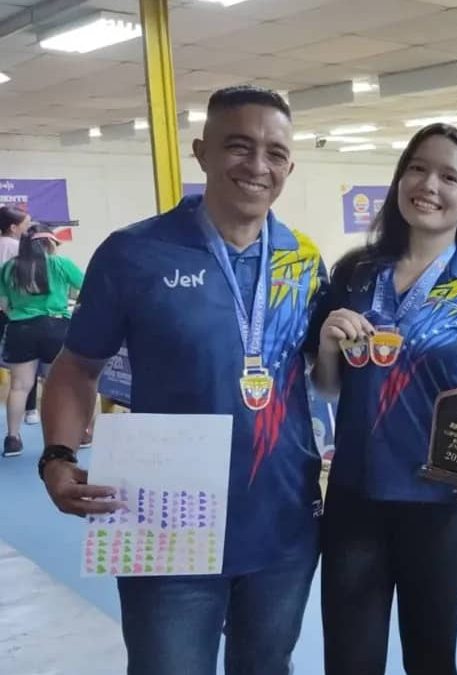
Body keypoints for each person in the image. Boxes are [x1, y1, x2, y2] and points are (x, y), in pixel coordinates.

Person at [39, 85, 326, 675]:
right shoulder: (133, 253)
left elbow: (321, 377)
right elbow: (75, 367)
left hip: (284, 525)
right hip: (165, 523)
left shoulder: (303, 260)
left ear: (290, 167)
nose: (257, 166)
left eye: (275, 153)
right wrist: (58, 456)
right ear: (201, 152)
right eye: (238, 146)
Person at [308, 123, 457, 675]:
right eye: (418, 168)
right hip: (356, 498)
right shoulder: (354, 272)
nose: (428, 184)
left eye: (449, 176)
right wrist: (328, 344)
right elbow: (329, 388)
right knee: (350, 663)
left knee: (431, 660)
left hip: (439, 507)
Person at [0, 224, 80, 456]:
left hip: (20, 328)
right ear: (49, 243)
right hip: (56, 326)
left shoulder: (8, 268)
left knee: (19, 387)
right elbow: (87, 288)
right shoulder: (60, 264)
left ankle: (12, 439)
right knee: (59, 387)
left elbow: (4, 305)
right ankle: (62, 439)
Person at [0, 206, 39, 431]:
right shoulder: (20, 250)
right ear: (14, 227)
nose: (28, 229)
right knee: (26, 362)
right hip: (15, 311)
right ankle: (31, 409)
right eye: (26, 224)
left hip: (7, 307)